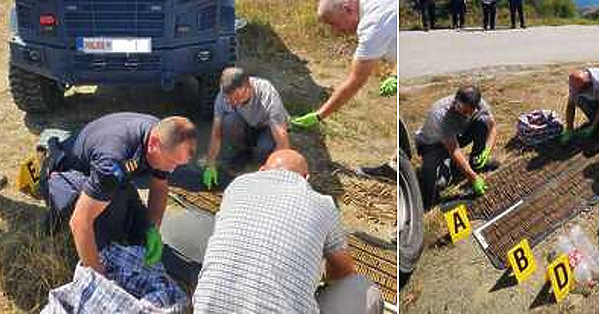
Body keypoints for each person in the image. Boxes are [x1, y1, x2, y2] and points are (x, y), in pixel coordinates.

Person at [193, 149, 383, 314]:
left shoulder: (237, 186)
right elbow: (343, 271)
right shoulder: (323, 204)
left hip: (206, 308)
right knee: (364, 289)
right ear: (306, 179)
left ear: (261, 170)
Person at [43, 113, 197, 275]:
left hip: (102, 176)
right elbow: (80, 222)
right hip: (64, 175)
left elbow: (159, 183)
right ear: (153, 144)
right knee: (109, 235)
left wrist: (153, 229)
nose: (172, 170)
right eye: (171, 162)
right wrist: (98, 276)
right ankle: (58, 222)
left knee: (138, 225)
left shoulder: (162, 135)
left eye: (177, 165)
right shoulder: (113, 160)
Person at [292, 0, 397, 130]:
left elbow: (355, 81)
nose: (336, 31)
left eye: (332, 23)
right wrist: (395, 74)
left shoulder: (371, 28)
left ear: (347, 8)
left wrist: (318, 116)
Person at [202, 67, 291, 189]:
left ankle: (259, 158)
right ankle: (243, 152)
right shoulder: (223, 98)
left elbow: (283, 142)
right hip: (248, 124)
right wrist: (210, 164)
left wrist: (269, 168)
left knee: (263, 150)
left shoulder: (266, 93)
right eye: (229, 98)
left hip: (268, 127)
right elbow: (216, 133)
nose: (233, 102)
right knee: (229, 122)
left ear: (248, 86)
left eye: (238, 97)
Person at [414, 85, 497, 209]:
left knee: (482, 122)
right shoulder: (440, 114)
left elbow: (493, 127)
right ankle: (428, 203)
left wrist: (486, 150)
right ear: (455, 101)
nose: (467, 115)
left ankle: (476, 165)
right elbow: (454, 150)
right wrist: (473, 178)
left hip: (457, 135)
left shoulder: (478, 103)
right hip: (432, 145)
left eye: (470, 112)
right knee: (440, 183)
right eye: (463, 111)